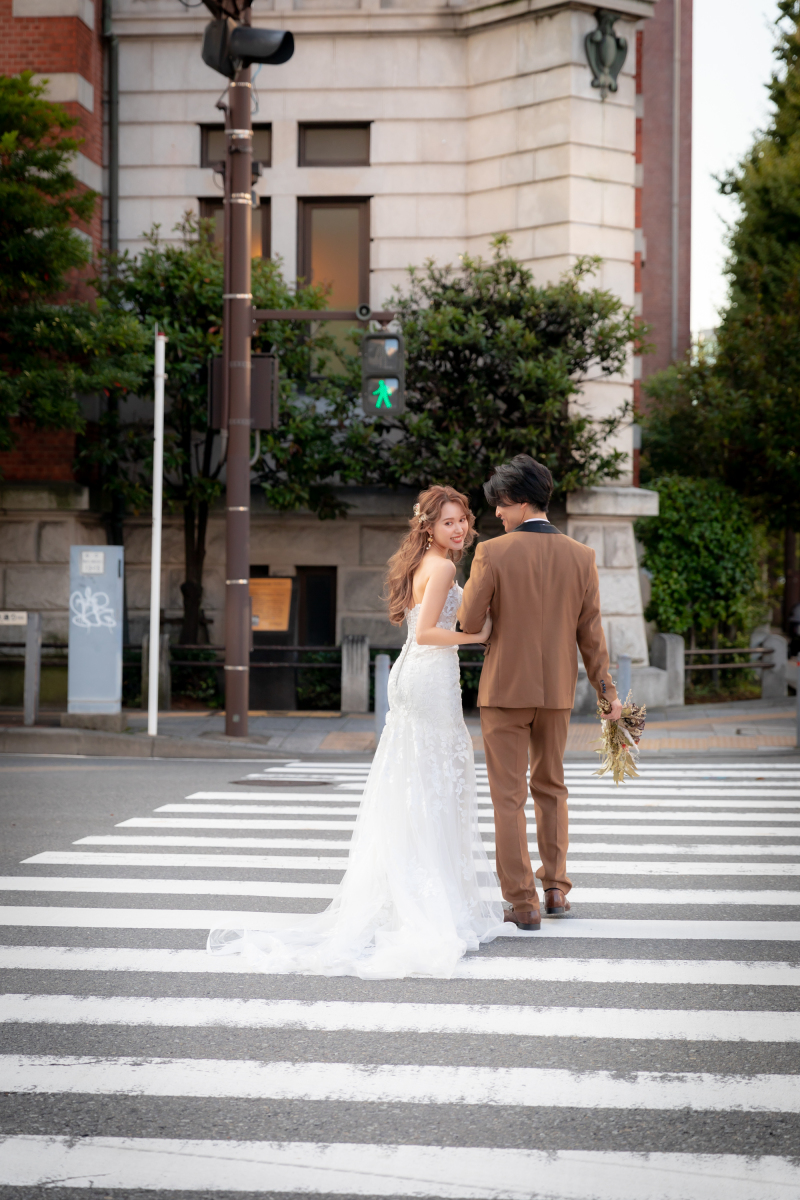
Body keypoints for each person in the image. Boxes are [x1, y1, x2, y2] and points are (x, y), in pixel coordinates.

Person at [208, 484, 503, 979]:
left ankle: (409, 889)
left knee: (416, 784)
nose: (458, 528)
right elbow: (428, 633)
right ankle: (428, 900)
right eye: (448, 522)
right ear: (429, 526)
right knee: (432, 783)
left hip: (412, 676)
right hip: (429, 677)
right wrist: (477, 635)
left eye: (462, 520)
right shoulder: (444, 568)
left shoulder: (422, 562)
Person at [458, 454, 621, 932]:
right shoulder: (582, 556)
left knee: (508, 798)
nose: (497, 514)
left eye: (500, 505)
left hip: (504, 689)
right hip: (556, 692)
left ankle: (522, 902)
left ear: (519, 500)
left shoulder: (492, 552)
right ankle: (556, 889)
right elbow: (591, 634)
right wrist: (607, 693)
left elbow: (469, 622)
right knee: (551, 787)